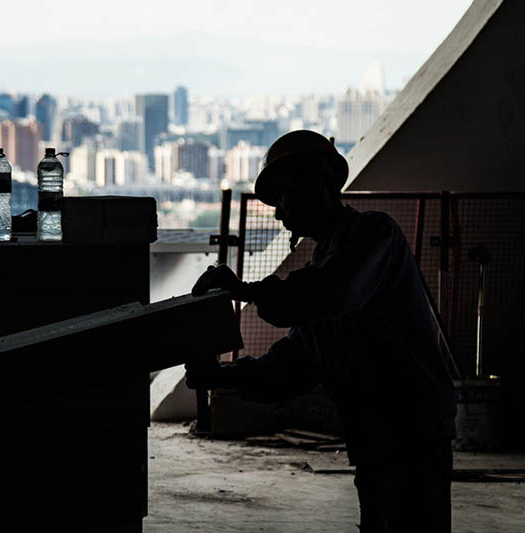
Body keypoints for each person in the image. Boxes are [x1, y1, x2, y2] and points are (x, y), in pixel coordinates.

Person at [187, 130, 457, 532]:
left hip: (411, 429)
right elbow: (296, 362)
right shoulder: (326, 262)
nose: (278, 213)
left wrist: (243, 290)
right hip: (374, 433)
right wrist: (222, 377)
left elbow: (329, 296)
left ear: (318, 181)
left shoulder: (374, 236)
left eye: (282, 196)